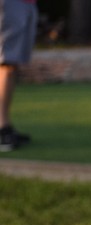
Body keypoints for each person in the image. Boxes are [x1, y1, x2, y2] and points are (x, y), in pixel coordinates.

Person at [0, 0, 37, 152]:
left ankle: (5, 125)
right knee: (6, 64)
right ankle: (2, 129)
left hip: (26, 3)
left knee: (12, 65)